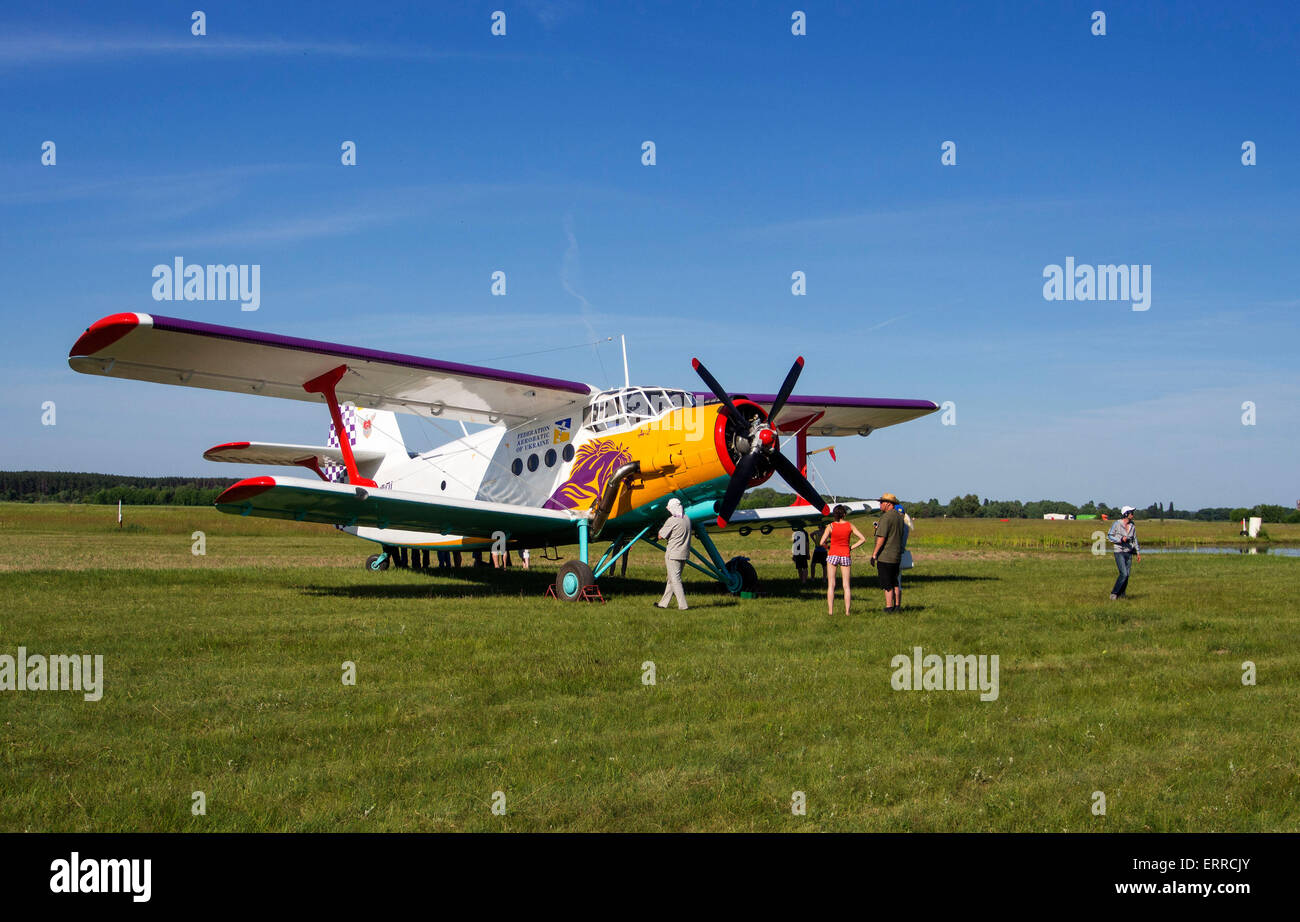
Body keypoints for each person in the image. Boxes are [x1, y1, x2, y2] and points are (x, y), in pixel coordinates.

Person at [819, 505, 867, 615]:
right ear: (844, 514)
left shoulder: (830, 526)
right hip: (845, 554)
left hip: (833, 554)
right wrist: (851, 547)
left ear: (834, 515)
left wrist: (828, 547)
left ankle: (830, 611)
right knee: (846, 585)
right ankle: (847, 612)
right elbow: (863, 539)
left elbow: (821, 543)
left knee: (831, 584)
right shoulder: (850, 525)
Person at [870, 493, 906, 612]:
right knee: (895, 581)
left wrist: (874, 554)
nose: (880, 504)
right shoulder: (899, 517)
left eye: (882, 502)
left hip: (885, 555)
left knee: (887, 583)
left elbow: (881, 537)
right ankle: (897, 606)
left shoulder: (886, 517)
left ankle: (889, 606)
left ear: (889, 504)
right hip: (896, 555)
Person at [654, 497, 692, 610]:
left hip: (673, 554)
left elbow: (660, 536)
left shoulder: (672, 520)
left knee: (675, 580)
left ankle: (683, 605)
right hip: (684, 553)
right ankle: (663, 603)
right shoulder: (687, 519)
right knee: (672, 578)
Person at [1107, 506, 1142, 599]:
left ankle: (1122, 594)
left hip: (1129, 552)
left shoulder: (1132, 525)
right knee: (1124, 574)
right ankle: (1114, 593)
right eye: (1131, 513)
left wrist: (1138, 552)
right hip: (1119, 551)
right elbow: (1109, 536)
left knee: (1127, 575)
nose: (1132, 515)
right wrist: (1121, 539)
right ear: (1126, 514)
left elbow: (1135, 539)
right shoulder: (1117, 524)